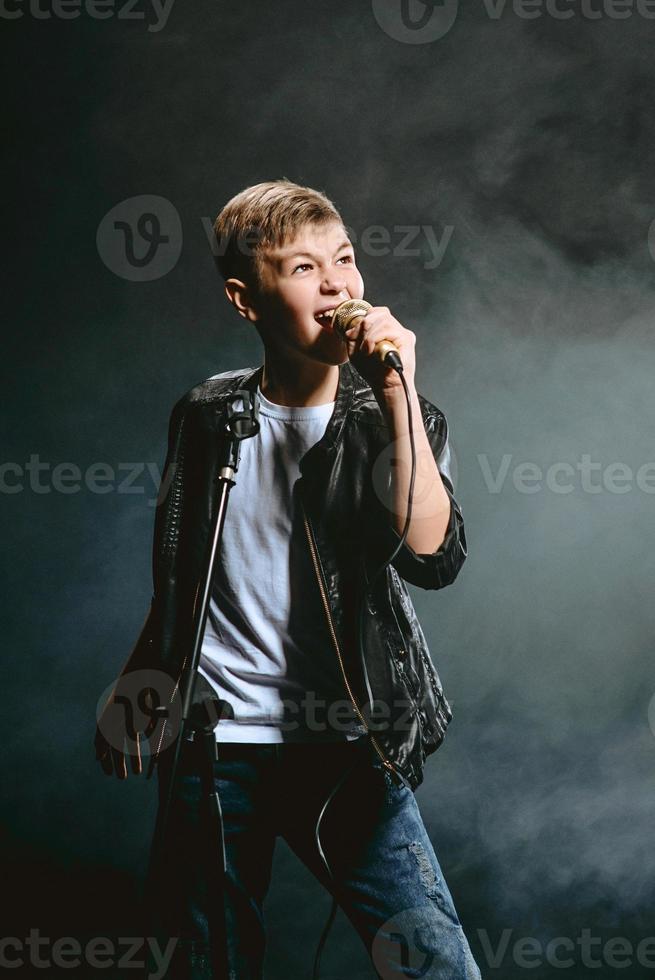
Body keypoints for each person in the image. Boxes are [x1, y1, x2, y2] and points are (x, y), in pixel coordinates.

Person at [94, 179, 481, 979]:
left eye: (343, 259)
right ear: (246, 300)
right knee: (207, 963)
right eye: (304, 269)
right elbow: (184, 572)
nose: (339, 284)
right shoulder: (205, 414)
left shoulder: (398, 414)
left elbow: (431, 556)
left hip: (344, 742)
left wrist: (397, 388)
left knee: (435, 966)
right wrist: (144, 677)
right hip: (212, 745)